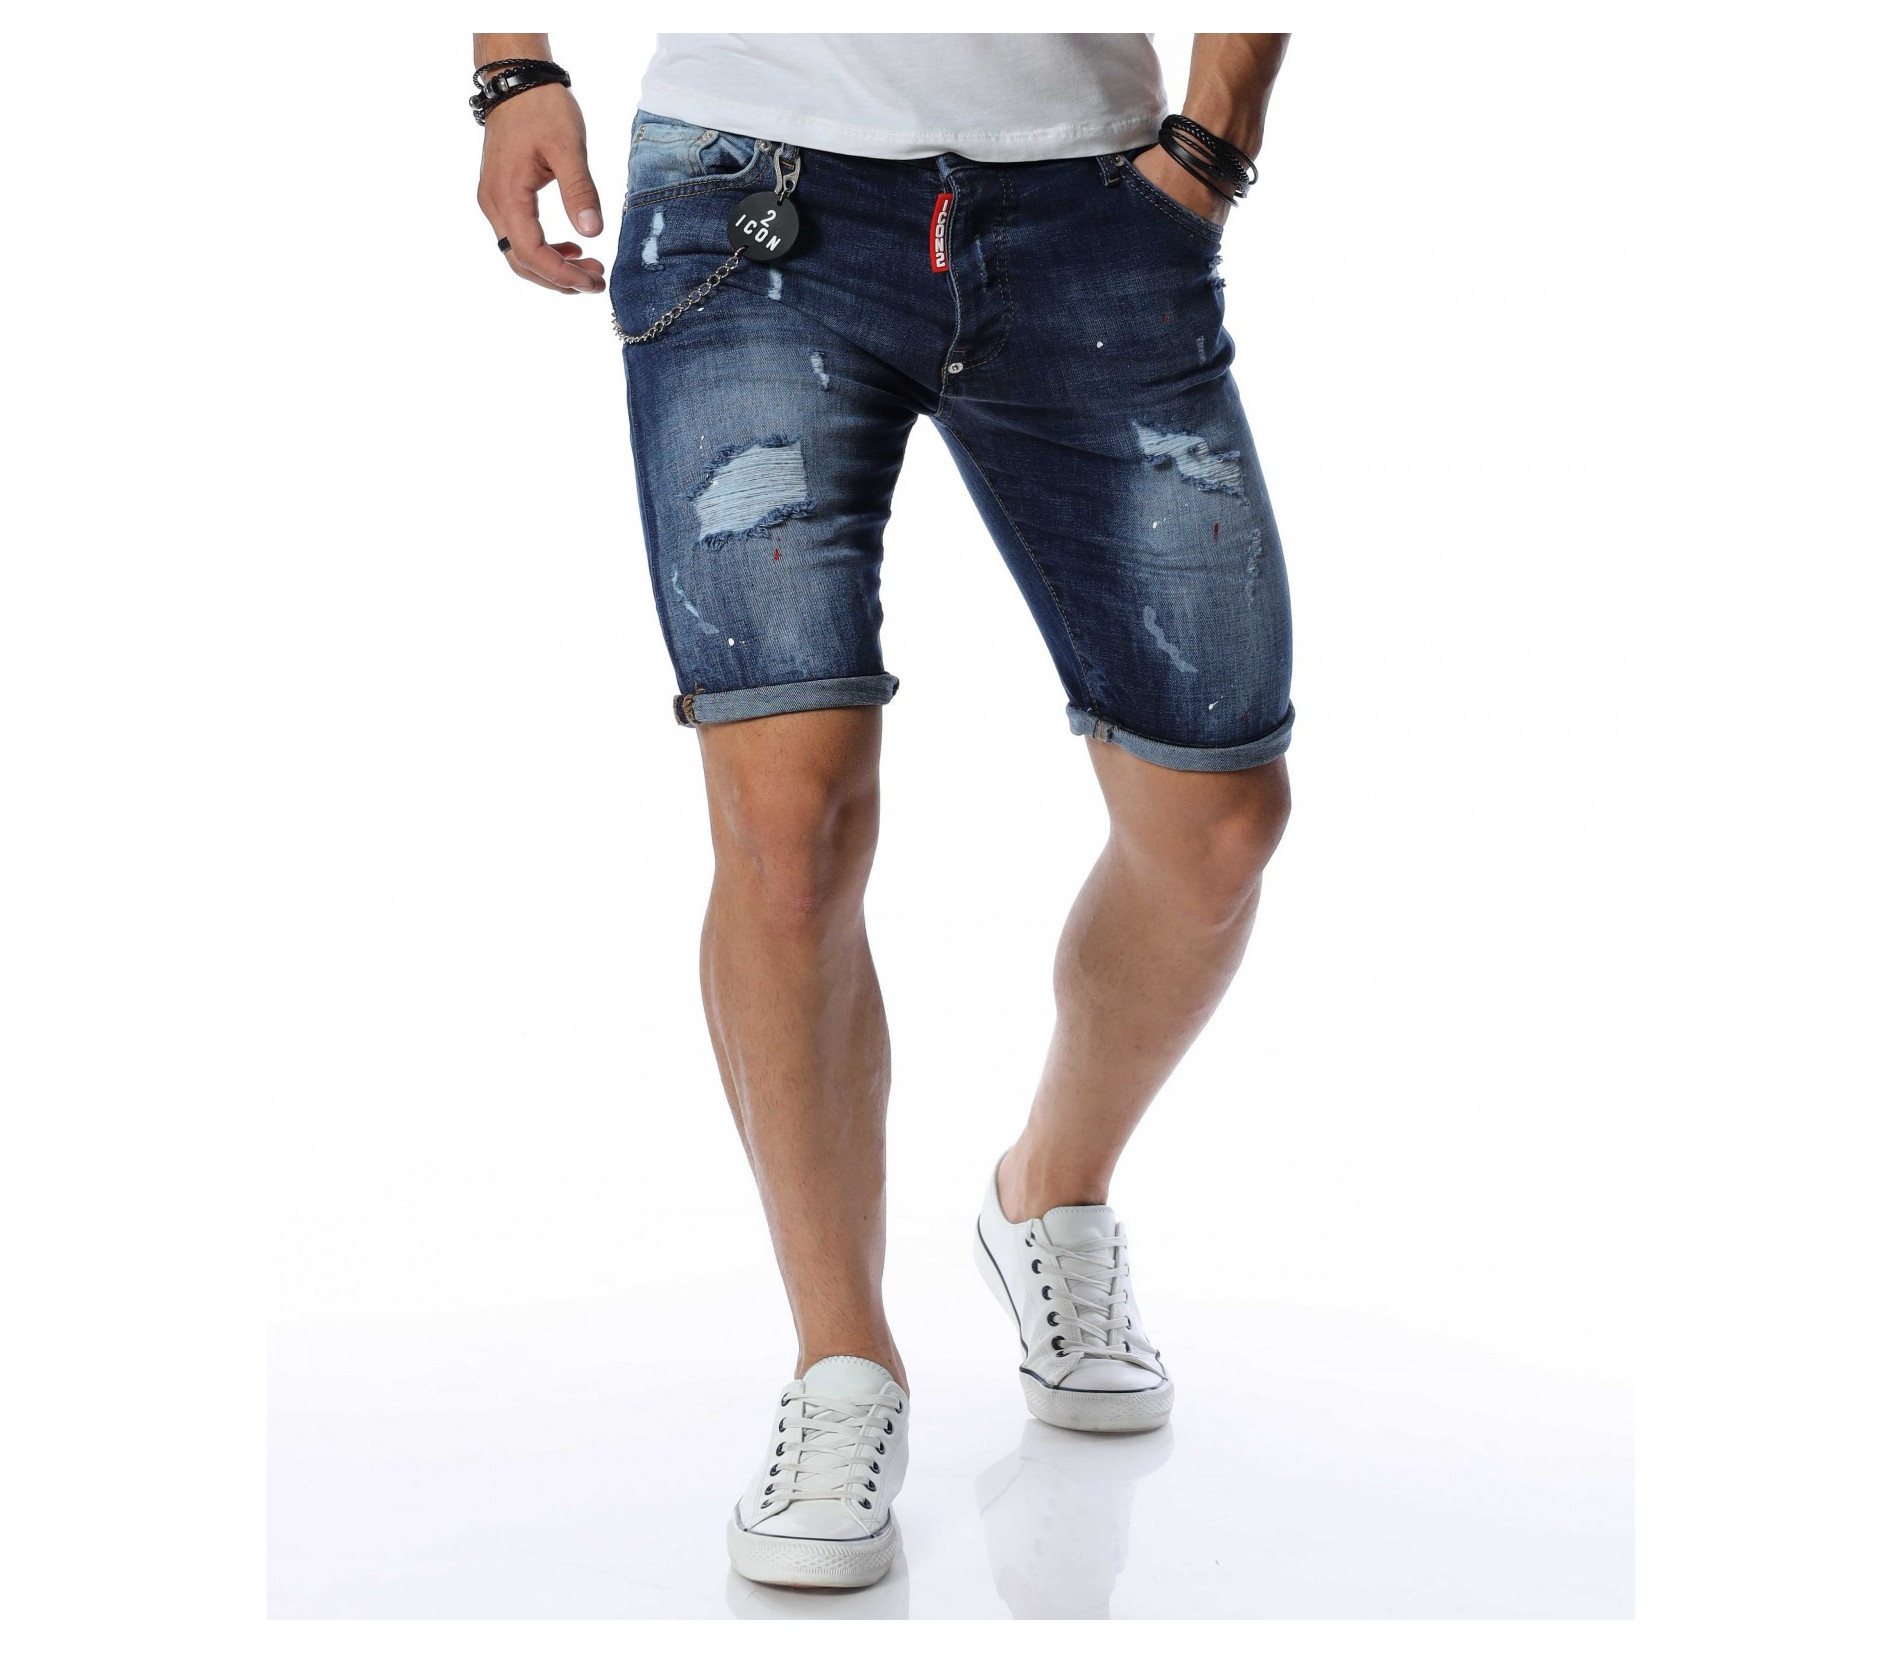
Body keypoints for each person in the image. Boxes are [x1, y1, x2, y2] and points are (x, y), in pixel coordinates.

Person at [472, 31, 1293, 1591]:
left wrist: (1217, 132)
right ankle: (842, 1361)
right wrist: (513, 67)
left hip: (1094, 204)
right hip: (750, 203)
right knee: (788, 829)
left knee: (1219, 822)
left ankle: (1049, 1192)